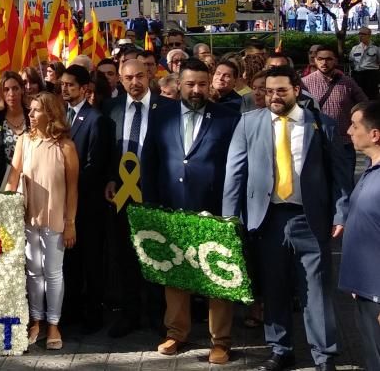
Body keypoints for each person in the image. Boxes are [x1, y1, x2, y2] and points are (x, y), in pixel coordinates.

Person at [223, 66, 350, 371]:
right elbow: (234, 174)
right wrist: (229, 219)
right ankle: (281, 350)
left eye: (281, 90)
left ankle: (323, 356)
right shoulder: (248, 123)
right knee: (274, 288)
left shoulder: (322, 125)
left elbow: (340, 177)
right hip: (266, 221)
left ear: (297, 90)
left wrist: (341, 212)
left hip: (310, 219)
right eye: (269, 91)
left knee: (316, 291)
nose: (274, 97)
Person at [141, 58, 241, 363]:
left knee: (218, 276)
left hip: (214, 211)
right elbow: (149, 160)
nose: (196, 90)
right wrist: (153, 206)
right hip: (172, 208)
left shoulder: (228, 117)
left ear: (209, 83)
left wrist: (229, 212)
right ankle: (176, 333)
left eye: (201, 84)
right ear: (179, 84)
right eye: (189, 84)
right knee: (175, 274)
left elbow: (236, 167)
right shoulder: (162, 115)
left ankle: (220, 341)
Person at [105, 59, 176, 338]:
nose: (134, 83)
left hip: (155, 191)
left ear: (149, 76)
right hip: (122, 194)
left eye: (139, 76)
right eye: (127, 78)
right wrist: (111, 177)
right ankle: (129, 313)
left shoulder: (168, 109)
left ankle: (158, 315)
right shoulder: (111, 109)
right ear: (121, 81)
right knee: (125, 256)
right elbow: (108, 151)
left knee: (156, 254)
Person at [5, 92, 79, 351]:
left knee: (53, 272)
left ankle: (54, 325)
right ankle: (36, 321)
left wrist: (70, 222)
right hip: (29, 216)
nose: (31, 114)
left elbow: (73, 189)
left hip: (56, 217)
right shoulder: (24, 140)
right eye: (31, 109)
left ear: (51, 114)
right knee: (33, 271)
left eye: (36, 110)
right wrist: (4, 206)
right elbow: (12, 179)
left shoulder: (66, 147)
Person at [58, 65, 113, 333]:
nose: (65, 89)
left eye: (70, 85)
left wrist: (68, 185)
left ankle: (92, 315)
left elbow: (95, 165)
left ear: (84, 88)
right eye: (62, 84)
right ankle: (70, 311)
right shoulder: (58, 116)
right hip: (63, 204)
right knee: (69, 261)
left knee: (91, 260)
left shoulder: (96, 119)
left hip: (88, 203)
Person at [338, 101, 380, 369]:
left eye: (355, 125)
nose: (349, 131)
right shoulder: (370, 167)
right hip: (366, 289)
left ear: (374, 134)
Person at [302, 45, 368, 177]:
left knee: (345, 185)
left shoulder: (347, 83)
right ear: (315, 60)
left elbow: (364, 105)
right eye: (320, 59)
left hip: (344, 142)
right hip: (317, 142)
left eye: (328, 59)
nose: (324, 62)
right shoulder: (305, 83)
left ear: (336, 61)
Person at [0, 72, 30, 192]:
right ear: (1, 93)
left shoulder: (32, 116)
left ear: (22, 90)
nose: (11, 94)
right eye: (6, 89)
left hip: (31, 182)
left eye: (15, 88)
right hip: (0, 184)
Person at [350, 27, 380, 100]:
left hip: (371, 75)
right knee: (358, 96)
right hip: (358, 75)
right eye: (359, 34)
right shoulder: (355, 48)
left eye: (363, 34)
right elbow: (351, 60)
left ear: (369, 35)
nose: (360, 36)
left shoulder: (376, 49)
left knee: (371, 96)